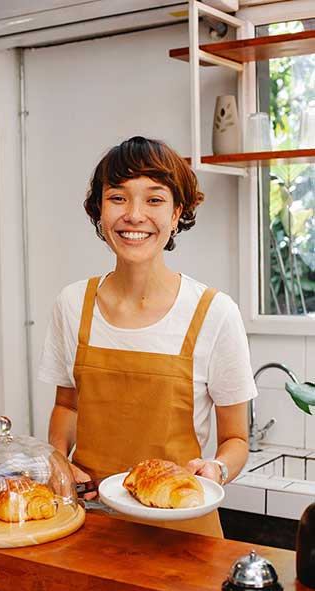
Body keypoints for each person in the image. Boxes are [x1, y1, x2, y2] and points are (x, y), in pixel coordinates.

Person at [38, 136, 257, 537]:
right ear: (99, 211)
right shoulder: (72, 304)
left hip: (184, 532)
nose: (134, 215)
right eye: (118, 198)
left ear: (177, 213)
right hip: (91, 526)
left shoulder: (214, 312)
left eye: (154, 200)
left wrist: (217, 469)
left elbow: (236, 438)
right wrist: (58, 459)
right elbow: (66, 406)